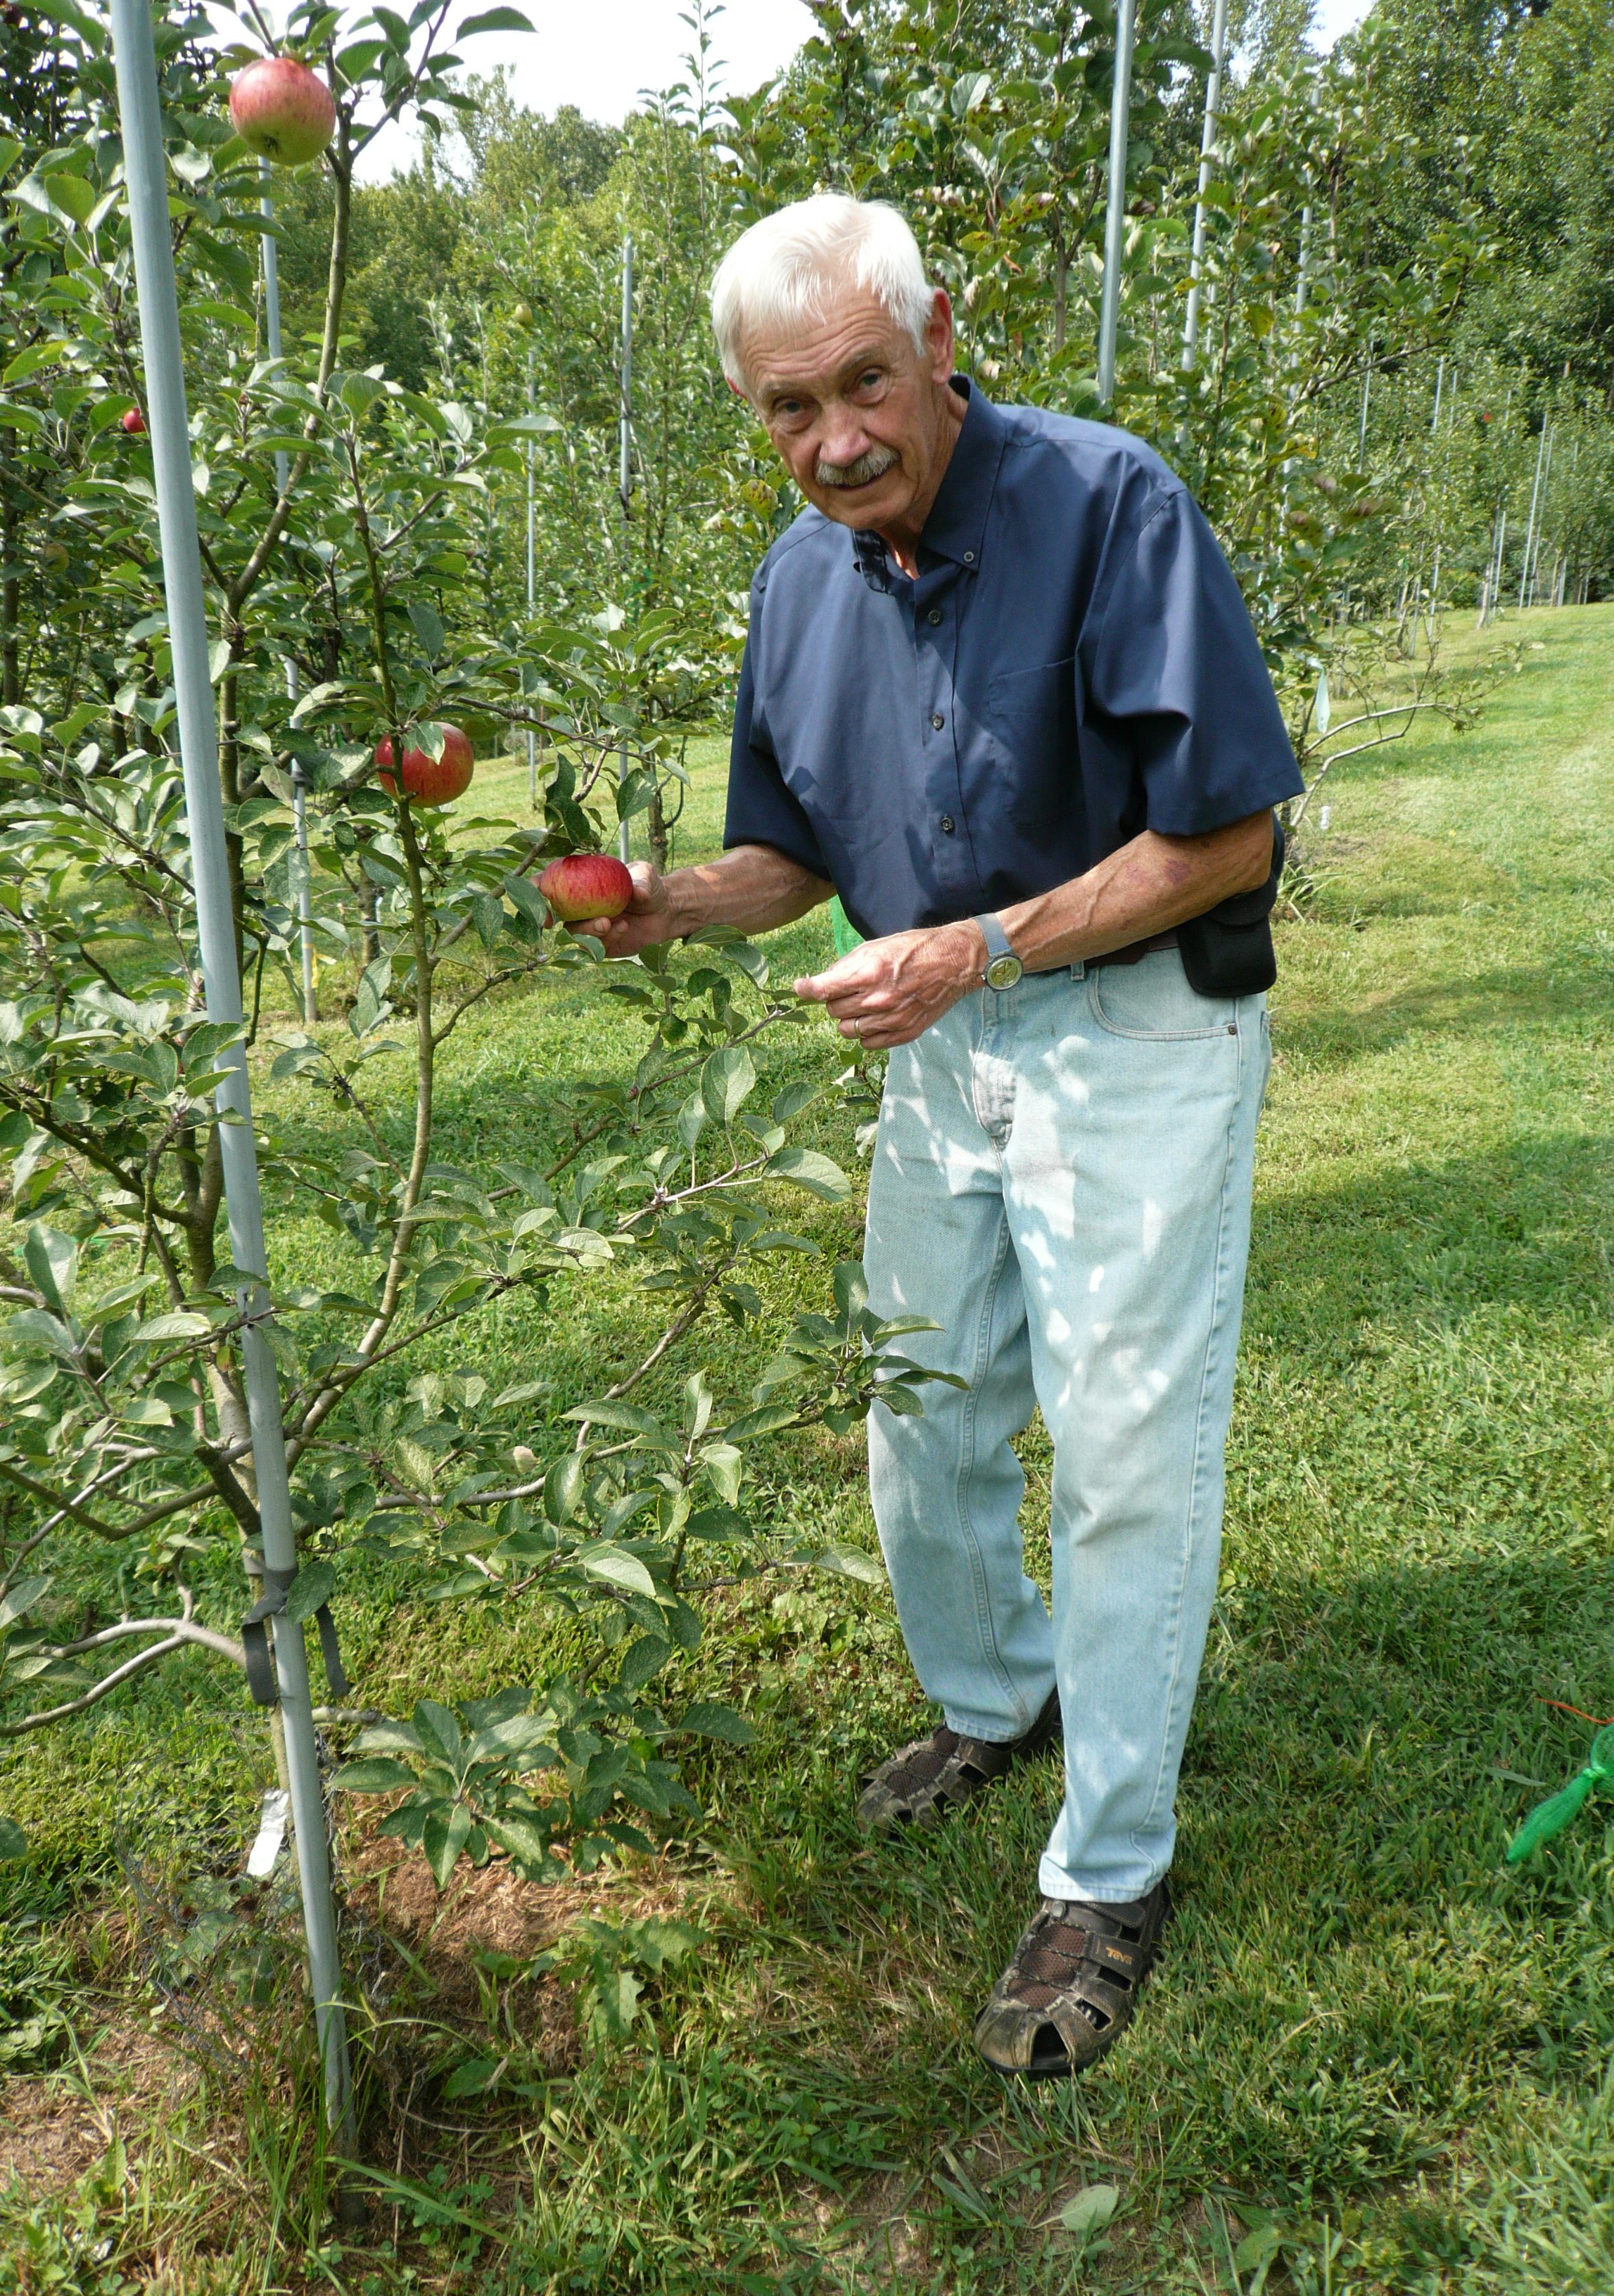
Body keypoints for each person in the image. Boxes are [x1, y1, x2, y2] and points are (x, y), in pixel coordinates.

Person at [565, 193, 1304, 2079]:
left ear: (942, 338)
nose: (836, 440)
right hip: (941, 1031)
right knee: (922, 1398)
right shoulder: (800, 582)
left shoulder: (1104, 504)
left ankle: (1113, 1867)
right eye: (788, 406)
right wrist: (664, 895)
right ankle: (1002, 1693)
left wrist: (980, 946)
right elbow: (791, 856)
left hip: (1131, 1022)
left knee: (1129, 1444)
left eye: (867, 383)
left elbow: (1227, 835)